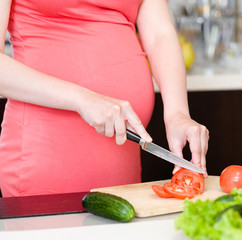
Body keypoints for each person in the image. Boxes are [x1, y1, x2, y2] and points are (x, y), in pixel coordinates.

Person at [0, 0, 209, 197]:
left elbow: (160, 34)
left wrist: (177, 113)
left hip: (121, 156)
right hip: (45, 154)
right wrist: (82, 98)